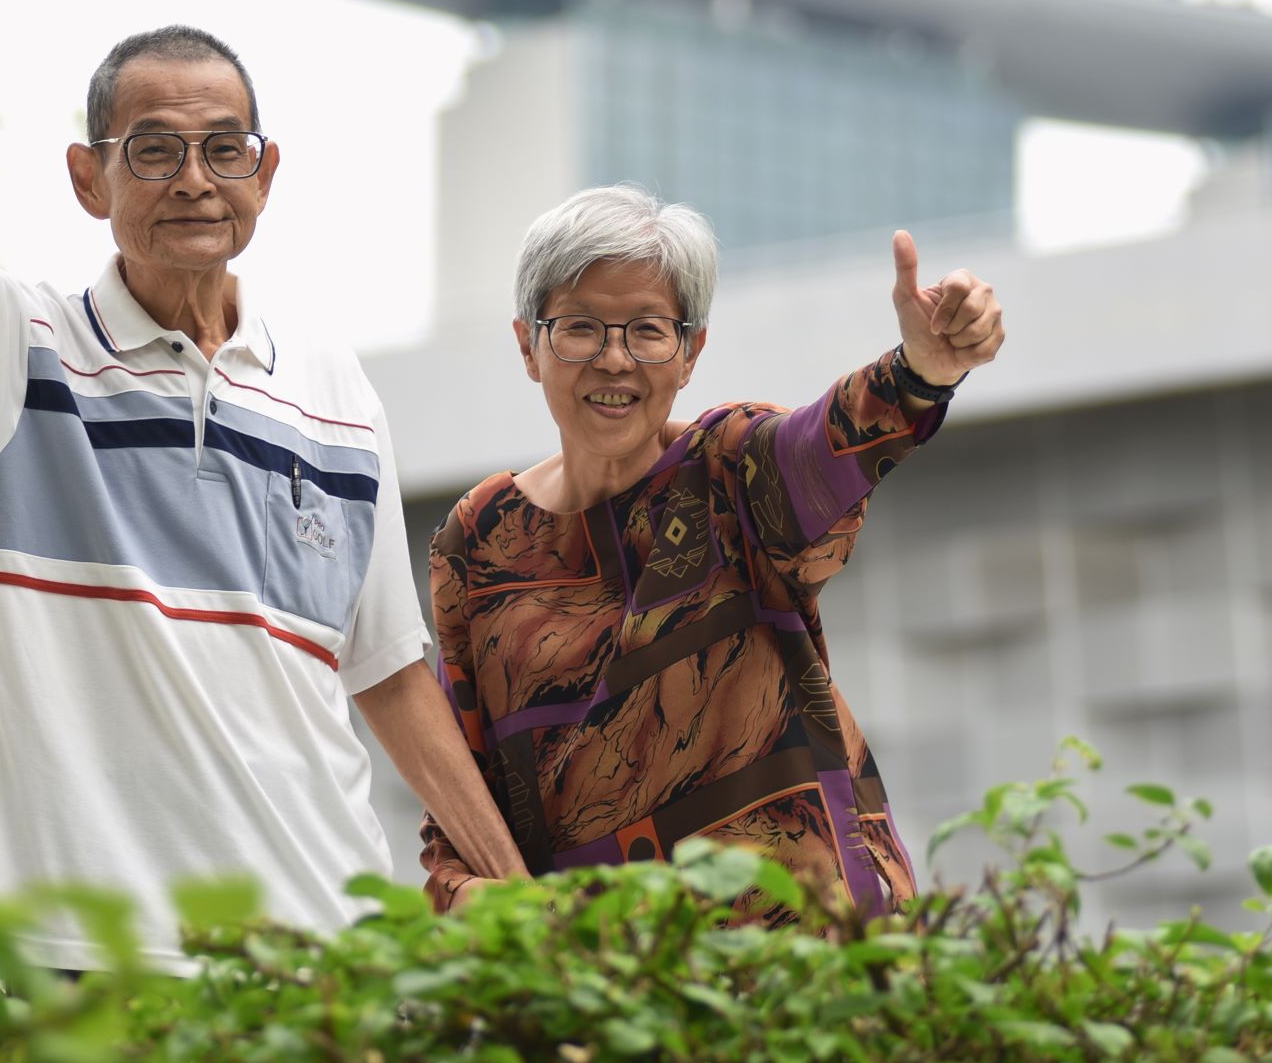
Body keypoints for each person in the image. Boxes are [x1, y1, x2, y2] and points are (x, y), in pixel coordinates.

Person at [0, 0, 524, 976]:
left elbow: (392, 674)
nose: (194, 180)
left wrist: (516, 888)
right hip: (75, 952)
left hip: (313, 954)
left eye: (224, 151)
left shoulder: (336, 393)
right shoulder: (26, 352)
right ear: (88, 178)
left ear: (266, 174)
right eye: (153, 151)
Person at [416, 185, 1004, 919]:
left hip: (804, 970)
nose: (614, 360)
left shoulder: (729, 469)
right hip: (608, 992)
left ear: (691, 352)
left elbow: (828, 446)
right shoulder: (479, 538)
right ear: (527, 346)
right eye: (578, 328)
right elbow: (458, 799)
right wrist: (486, 911)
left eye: (649, 331)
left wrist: (920, 372)